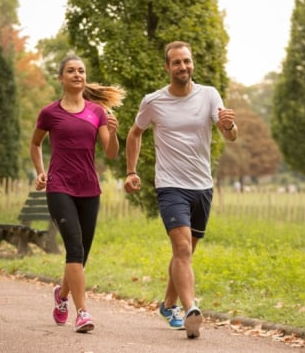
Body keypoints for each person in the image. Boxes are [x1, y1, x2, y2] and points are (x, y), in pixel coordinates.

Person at [123, 41, 238, 339]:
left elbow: (229, 134)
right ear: (167, 67)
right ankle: (191, 309)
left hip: (202, 186)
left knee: (185, 253)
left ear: (192, 63)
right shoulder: (153, 101)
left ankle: (168, 304)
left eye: (186, 61)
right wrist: (131, 171)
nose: (182, 67)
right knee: (182, 248)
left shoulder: (209, 95)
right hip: (171, 186)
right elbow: (135, 133)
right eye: (176, 62)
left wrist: (230, 126)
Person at [29, 55, 124, 333]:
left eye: (81, 71)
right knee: (74, 246)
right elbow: (35, 144)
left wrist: (115, 134)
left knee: (81, 254)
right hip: (59, 186)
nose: (77, 75)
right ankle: (82, 312)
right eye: (70, 71)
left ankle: (61, 297)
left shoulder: (97, 112)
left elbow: (111, 152)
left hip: (89, 188)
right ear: (61, 78)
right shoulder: (49, 112)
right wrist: (40, 171)